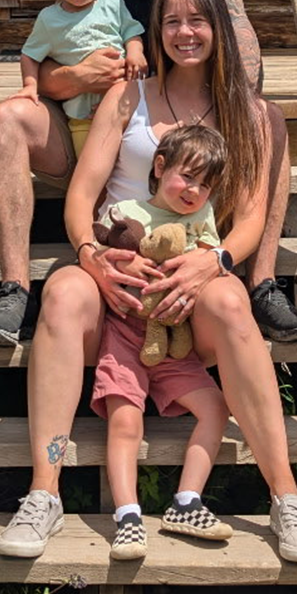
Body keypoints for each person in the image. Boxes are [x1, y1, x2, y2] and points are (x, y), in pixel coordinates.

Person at [0, 0, 297, 565]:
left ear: (218, 28)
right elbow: (82, 192)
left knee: (232, 301)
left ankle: (287, 498)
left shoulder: (246, 111)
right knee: (64, 292)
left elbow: (251, 216)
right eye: (172, 21)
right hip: (118, 266)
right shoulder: (130, 96)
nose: (184, 33)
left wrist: (214, 262)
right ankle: (44, 492)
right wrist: (91, 255)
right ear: (157, 31)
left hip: (195, 274)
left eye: (197, 20)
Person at [0, 0, 297, 347]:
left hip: (174, 139)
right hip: (89, 127)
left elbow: (247, 74)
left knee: (268, 119)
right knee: (6, 118)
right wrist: (79, 76)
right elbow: (48, 64)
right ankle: (14, 289)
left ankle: (262, 284)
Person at [91, 125, 236, 559]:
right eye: (187, 177)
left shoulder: (202, 217)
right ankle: (127, 515)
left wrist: (201, 260)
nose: (194, 191)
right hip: (125, 333)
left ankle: (187, 502)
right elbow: (101, 253)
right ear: (159, 167)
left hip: (176, 338)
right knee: (125, 421)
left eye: (205, 185)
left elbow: (210, 260)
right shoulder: (125, 210)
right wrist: (119, 260)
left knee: (216, 407)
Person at [10, 0, 148, 156]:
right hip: (84, 117)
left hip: (126, 108)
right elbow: (30, 55)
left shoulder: (113, 2)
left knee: (130, 159)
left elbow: (131, 33)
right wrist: (30, 86)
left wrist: (135, 52)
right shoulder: (49, 19)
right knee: (90, 162)